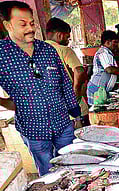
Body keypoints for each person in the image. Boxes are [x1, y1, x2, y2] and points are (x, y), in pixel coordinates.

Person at [0, 1, 81, 175]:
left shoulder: (48, 50)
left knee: (73, 168)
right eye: (22, 24)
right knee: (48, 173)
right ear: (8, 25)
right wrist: (6, 103)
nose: (30, 28)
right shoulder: (2, 55)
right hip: (33, 128)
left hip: (62, 124)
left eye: (32, 23)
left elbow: (65, 85)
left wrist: (76, 115)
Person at [45, 17, 89, 127]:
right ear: (60, 35)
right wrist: (76, 92)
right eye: (67, 37)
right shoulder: (64, 50)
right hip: (76, 110)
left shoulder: (38, 52)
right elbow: (79, 71)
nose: (68, 41)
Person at [87, 31, 119, 105]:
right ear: (107, 42)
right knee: (97, 112)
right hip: (97, 89)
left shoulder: (109, 53)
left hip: (102, 89)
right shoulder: (103, 52)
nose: (117, 45)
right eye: (115, 42)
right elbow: (110, 69)